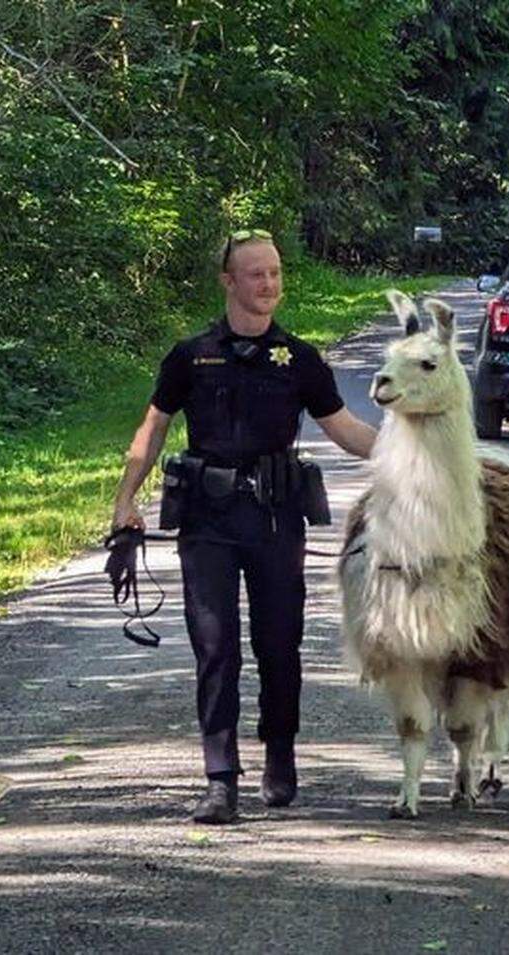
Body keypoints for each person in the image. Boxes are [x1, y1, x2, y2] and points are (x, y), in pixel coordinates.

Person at [110, 229, 377, 824]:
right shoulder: (190, 356)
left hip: (276, 521)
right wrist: (125, 499)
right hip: (207, 522)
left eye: (275, 273)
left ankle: (280, 754)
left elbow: (347, 430)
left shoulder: (300, 360)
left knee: (279, 645)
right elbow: (153, 428)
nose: (269, 284)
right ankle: (220, 779)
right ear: (228, 281)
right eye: (256, 274)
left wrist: (414, 453)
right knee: (215, 648)